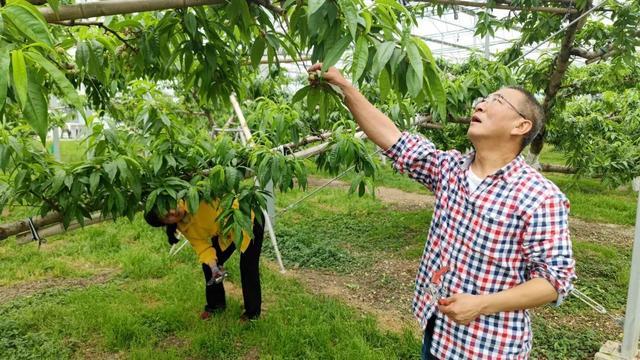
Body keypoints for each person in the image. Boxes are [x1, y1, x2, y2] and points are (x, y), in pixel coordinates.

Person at [306, 63, 576, 359]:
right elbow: (392, 138)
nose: (481, 104)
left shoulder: (539, 196)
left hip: (488, 347)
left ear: (521, 126)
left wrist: (481, 304)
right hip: (438, 335)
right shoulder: (450, 170)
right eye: (483, 99)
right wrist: (344, 86)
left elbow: (554, 280)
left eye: (497, 100)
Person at [144, 199, 264, 322]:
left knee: (248, 266)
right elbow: (202, 246)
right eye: (167, 217)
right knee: (209, 266)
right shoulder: (183, 225)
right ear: (166, 224)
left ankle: (252, 314)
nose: (173, 213)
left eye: (168, 208)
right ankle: (216, 306)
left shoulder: (194, 196)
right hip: (225, 233)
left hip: (248, 219)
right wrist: (214, 268)